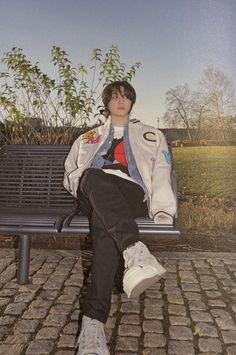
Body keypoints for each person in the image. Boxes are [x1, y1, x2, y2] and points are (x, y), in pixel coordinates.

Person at [63, 81, 176, 355]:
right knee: (93, 176)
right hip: (93, 191)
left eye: (125, 96)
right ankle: (134, 250)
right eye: (114, 97)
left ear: (132, 101)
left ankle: (92, 324)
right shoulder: (88, 137)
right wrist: (86, 181)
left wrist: (162, 208)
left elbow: (162, 170)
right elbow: (71, 173)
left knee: (104, 228)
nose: (120, 101)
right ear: (107, 102)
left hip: (130, 194)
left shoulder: (152, 134)